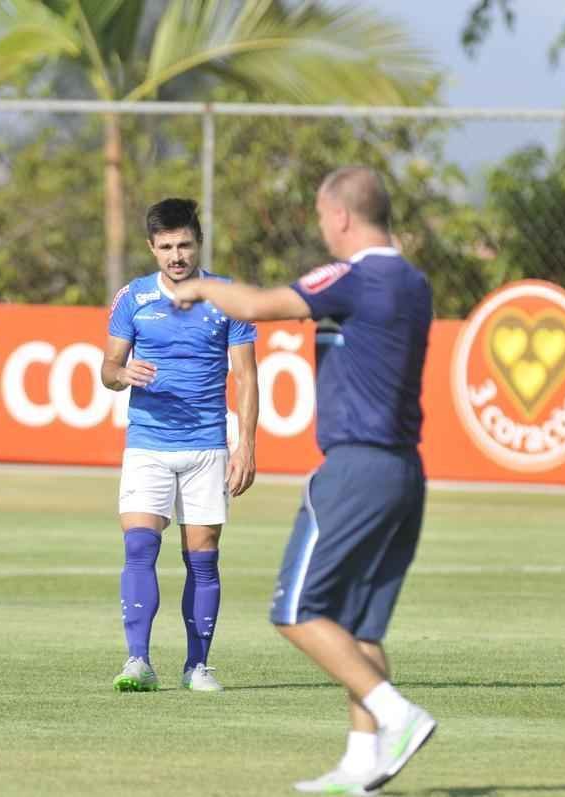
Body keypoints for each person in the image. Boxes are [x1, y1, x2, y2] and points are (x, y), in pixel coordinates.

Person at [172, 167, 435, 795]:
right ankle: (361, 761)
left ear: (341, 216)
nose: (323, 230)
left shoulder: (355, 276)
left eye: (323, 218)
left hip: (354, 467)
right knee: (359, 630)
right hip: (405, 471)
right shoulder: (415, 282)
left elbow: (261, 307)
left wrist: (200, 286)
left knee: (295, 611)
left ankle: (398, 716)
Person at [102, 197, 259, 693]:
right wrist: (122, 373)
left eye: (185, 245)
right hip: (147, 444)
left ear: (199, 245)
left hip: (207, 447)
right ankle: (138, 662)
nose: (176, 255)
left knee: (203, 556)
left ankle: (197, 666)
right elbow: (108, 369)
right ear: (152, 248)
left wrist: (246, 445)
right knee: (139, 547)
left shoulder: (228, 297)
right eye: (166, 246)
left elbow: (246, 377)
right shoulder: (133, 298)